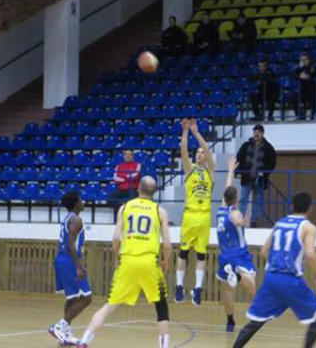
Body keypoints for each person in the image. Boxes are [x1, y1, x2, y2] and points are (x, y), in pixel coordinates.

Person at [78, 177, 172, 348]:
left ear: (138, 188)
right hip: (149, 261)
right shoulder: (160, 211)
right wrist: (166, 261)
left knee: (109, 305)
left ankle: (84, 340)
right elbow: (166, 244)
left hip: (128, 260)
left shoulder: (125, 207)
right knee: (161, 307)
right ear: (154, 192)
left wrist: (117, 257)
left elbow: (116, 238)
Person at [233, 192, 316, 348]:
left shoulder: (279, 224)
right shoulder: (309, 227)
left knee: (256, 321)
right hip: (290, 280)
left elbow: (264, 252)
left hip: (271, 279)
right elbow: (310, 255)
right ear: (310, 208)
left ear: (292, 206)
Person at [175, 118, 216, 306]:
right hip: (190, 215)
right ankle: (179, 286)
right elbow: (183, 151)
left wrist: (196, 133)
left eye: (202, 153)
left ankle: (198, 289)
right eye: (198, 153)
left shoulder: (210, 171)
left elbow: (207, 149)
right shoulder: (189, 170)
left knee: (201, 255)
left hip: (204, 216)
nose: (200, 155)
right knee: (183, 253)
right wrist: (185, 131)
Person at [216, 157, 256, 333]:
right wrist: (242, 221)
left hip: (224, 255)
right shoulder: (234, 212)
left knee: (228, 291)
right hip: (238, 253)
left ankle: (230, 322)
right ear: (236, 199)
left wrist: (231, 170)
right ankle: (258, 309)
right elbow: (236, 220)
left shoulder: (221, 209)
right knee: (250, 281)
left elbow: (228, 186)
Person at [48, 191, 92, 345]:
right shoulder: (76, 219)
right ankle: (60, 326)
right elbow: (70, 244)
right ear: (76, 204)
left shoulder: (68, 218)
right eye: (80, 199)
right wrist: (78, 266)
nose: (83, 201)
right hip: (68, 260)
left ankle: (65, 334)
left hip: (62, 259)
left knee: (72, 298)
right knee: (87, 297)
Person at [236, 125, 277, 227]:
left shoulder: (268, 147)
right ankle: (240, 220)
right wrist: (238, 172)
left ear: (262, 134)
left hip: (260, 178)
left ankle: (253, 221)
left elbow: (272, 162)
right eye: (255, 132)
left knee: (257, 200)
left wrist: (265, 173)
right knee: (243, 199)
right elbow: (239, 158)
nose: (256, 134)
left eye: (258, 132)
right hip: (247, 176)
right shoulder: (246, 145)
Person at [110, 150, 142, 217]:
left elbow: (135, 176)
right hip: (122, 189)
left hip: (133, 188)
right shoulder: (118, 166)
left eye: (130, 154)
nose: (128, 156)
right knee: (111, 198)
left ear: (132, 156)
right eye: (126, 154)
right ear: (123, 156)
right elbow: (115, 178)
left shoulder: (137, 165)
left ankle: (127, 210)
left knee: (132, 199)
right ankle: (123, 206)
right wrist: (127, 177)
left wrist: (123, 177)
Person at [293, 53, 316, 120]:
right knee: (292, 99)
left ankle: (312, 117)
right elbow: (294, 76)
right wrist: (300, 73)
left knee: (314, 100)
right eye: (301, 60)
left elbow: (308, 75)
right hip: (303, 90)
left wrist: (300, 75)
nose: (303, 61)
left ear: (308, 60)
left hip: (313, 89)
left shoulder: (313, 66)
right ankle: (300, 116)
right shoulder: (300, 67)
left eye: (304, 60)